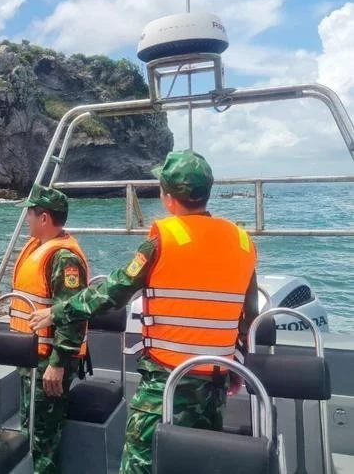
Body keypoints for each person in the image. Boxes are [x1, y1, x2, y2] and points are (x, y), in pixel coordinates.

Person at [29, 150, 259, 474]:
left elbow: (113, 292)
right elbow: (248, 316)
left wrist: (58, 311)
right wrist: (234, 367)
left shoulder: (163, 239)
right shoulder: (242, 241)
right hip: (214, 385)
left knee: (139, 465)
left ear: (167, 197)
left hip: (165, 384)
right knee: (197, 465)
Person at [9, 184, 90, 473]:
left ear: (43, 218)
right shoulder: (39, 247)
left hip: (48, 362)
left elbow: (73, 314)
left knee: (43, 439)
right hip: (31, 359)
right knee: (29, 429)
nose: (27, 220)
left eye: (30, 214)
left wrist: (58, 363)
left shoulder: (63, 258)